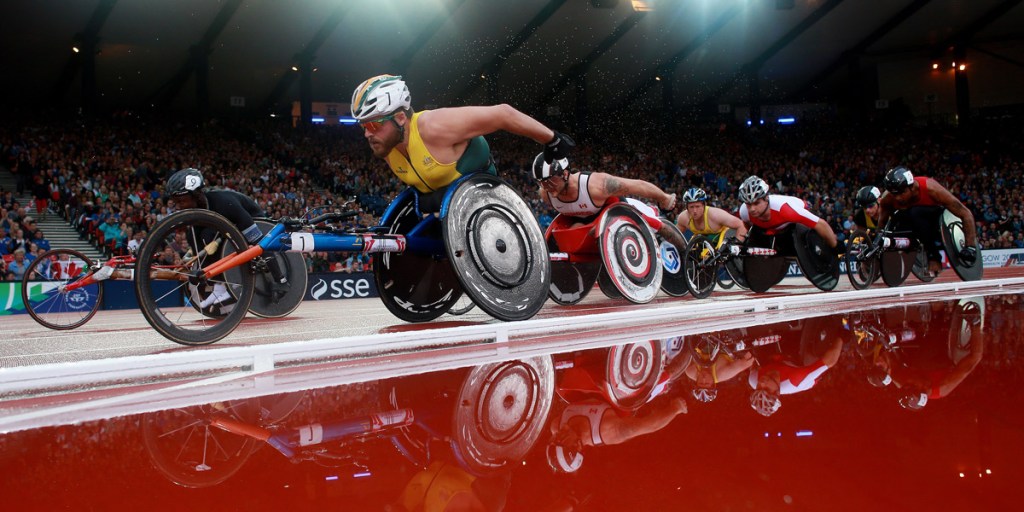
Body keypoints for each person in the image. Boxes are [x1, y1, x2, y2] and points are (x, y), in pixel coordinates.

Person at [352, 74, 574, 213]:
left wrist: (551, 139)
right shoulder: (387, 147)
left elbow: (503, 114)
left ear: (400, 117)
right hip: (441, 208)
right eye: (363, 126)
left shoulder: (433, 126)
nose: (367, 134)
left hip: (482, 196)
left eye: (373, 125)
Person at [165, 168, 286, 310]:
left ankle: (234, 286)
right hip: (226, 229)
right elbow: (200, 251)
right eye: (175, 202)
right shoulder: (197, 212)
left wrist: (280, 280)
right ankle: (219, 286)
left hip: (252, 221)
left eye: (182, 201)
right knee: (196, 237)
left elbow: (260, 242)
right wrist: (189, 260)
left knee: (209, 236)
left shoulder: (225, 203)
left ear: (197, 195)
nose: (179, 206)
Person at [531, 155, 686, 250]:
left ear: (565, 174)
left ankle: (686, 253)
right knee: (572, 232)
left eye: (550, 181)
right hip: (584, 221)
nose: (546, 187)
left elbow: (637, 185)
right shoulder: (546, 194)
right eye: (541, 182)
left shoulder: (596, 185)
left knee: (656, 225)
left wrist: (664, 198)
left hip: (612, 211)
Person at [876, 166, 978, 276]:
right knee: (897, 218)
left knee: (915, 212)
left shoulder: (932, 188)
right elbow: (881, 224)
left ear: (911, 187)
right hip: (911, 222)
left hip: (935, 218)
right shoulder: (887, 199)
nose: (898, 198)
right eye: (894, 194)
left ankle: (933, 256)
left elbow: (965, 213)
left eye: (901, 193)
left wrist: (970, 247)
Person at [738, 175, 839, 251]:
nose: (752, 209)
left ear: (766, 198)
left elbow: (821, 224)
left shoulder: (785, 210)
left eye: (756, 203)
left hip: (801, 212)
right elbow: (748, 227)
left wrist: (835, 246)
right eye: (748, 204)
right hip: (776, 226)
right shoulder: (744, 211)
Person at [675, 187, 747, 245]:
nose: (695, 211)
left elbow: (742, 225)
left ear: (704, 205)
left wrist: (736, 246)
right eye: (691, 207)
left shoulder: (716, 215)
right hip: (702, 243)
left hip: (724, 240)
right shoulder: (683, 218)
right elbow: (674, 237)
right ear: (686, 207)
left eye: (697, 206)